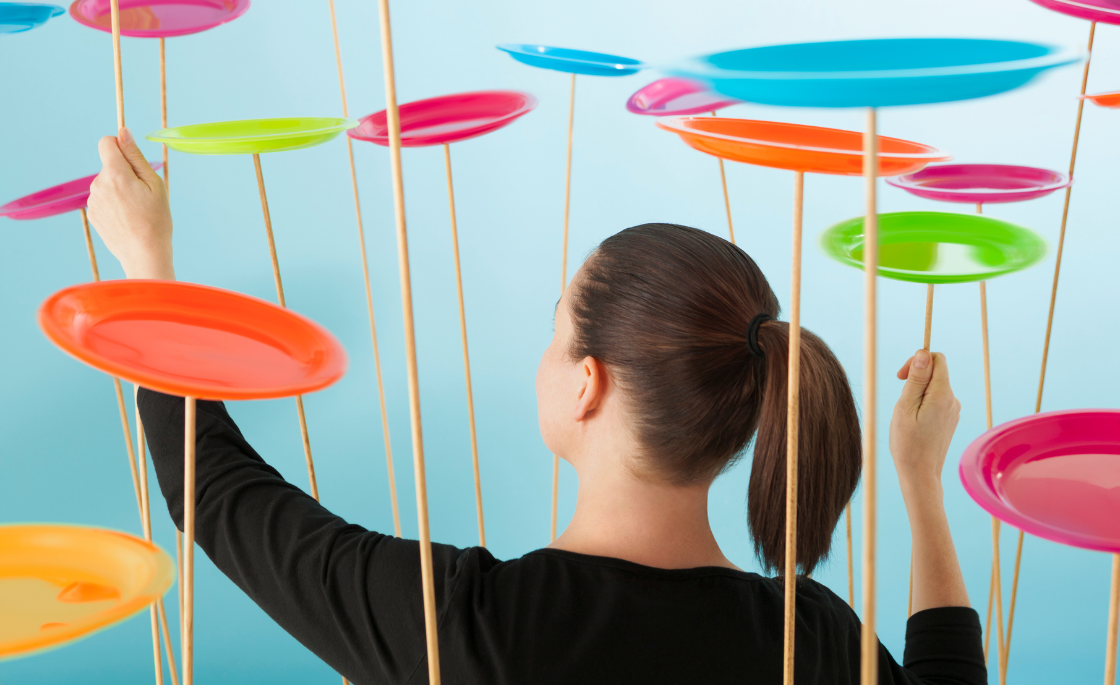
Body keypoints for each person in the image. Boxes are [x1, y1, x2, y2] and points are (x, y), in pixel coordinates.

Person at [88, 129, 985, 685]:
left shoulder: (463, 626)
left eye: (555, 332)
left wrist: (147, 269)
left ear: (588, 383)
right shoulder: (811, 641)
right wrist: (921, 486)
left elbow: (218, 495)